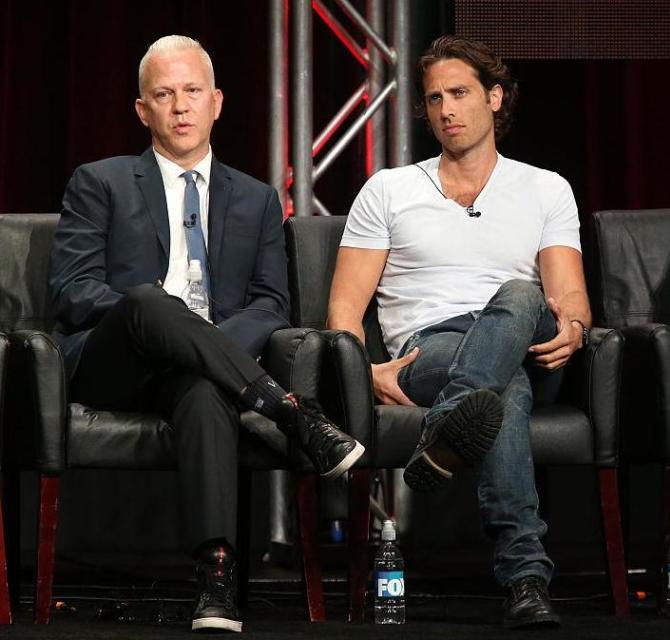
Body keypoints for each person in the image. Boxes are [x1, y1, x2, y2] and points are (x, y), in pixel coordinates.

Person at [48, 35, 364, 633]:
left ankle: (215, 579)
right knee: (149, 301)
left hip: (209, 371)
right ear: (143, 111)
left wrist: (202, 345)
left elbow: (272, 304)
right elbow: (73, 291)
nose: (180, 107)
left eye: (192, 92)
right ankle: (293, 413)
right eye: (164, 95)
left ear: (217, 102)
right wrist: (169, 323)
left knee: (201, 386)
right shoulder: (101, 182)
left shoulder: (257, 199)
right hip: (115, 361)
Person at [327, 35, 591, 629]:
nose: (446, 110)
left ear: (495, 98)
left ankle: (445, 428)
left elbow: (568, 294)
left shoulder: (545, 187)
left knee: (521, 294)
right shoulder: (389, 189)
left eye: (460, 93)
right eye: (434, 98)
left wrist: (573, 326)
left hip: (529, 338)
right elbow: (345, 308)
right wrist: (362, 369)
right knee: (501, 392)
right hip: (431, 348)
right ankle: (525, 577)